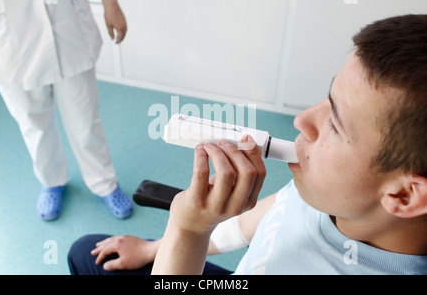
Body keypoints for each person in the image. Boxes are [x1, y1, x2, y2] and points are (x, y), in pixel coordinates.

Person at [68, 14, 427, 274]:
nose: (302, 121)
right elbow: (261, 220)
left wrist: (188, 229)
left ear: (404, 196)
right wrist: (153, 248)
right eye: (327, 98)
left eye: (334, 122)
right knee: (88, 252)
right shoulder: (334, 191)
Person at [0, 0, 133, 220]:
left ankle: (104, 183)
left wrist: (110, 2)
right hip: (7, 40)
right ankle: (51, 181)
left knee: (86, 120)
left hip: (67, 26)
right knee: (33, 123)